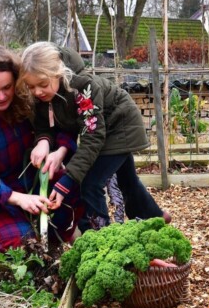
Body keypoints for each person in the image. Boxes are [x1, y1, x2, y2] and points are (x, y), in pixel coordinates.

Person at [20, 41, 169, 231]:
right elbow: (44, 126)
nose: (37, 91)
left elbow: (92, 137)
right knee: (127, 180)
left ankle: (98, 238)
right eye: (31, 87)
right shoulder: (44, 94)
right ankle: (154, 218)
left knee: (89, 183)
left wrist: (67, 180)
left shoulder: (84, 87)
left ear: (59, 73)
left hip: (119, 126)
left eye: (42, 84)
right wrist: (43, 142)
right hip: (101, 129)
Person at [0, 45, 83, 252]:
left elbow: (64, 126)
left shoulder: (29, 99)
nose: (1, 97)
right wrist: (17, 198)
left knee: (76, 189)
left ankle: (59, 243)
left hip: (35, 184)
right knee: (23, 243)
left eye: (7, 87)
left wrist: (58, 149)